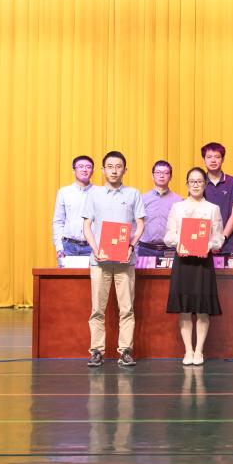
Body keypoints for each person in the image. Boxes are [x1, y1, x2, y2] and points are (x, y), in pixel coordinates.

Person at [82, 151, 145, 368]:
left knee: (127, 308)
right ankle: (96, 351)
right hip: (99, 261)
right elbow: (86, 226)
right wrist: (95, 249)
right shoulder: (94, 194)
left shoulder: (133, 194)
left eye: (118, 166)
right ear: (103, 170)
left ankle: (125, 351)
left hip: (125, 261)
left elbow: (140, 224)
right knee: (97, 309)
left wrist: (131, 246)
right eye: (110, 166)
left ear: (125, 170)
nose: (114, 170)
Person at [163, 167, 225, 365]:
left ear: (205, 184)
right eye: (192, 181)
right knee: (184, 308)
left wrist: (208, 246)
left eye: (199, 181)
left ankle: (199, 351)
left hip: (203, 262)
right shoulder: (177, 207)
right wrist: (180, 243)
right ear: (187, 184)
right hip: (183, 261)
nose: (196, 185)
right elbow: (168, 236)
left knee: (202, 308)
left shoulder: (213, 208)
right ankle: (188, 350)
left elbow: (219, 238)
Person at [201, 142, 233, 256]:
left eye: (217, 157)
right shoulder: (198, 182)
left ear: (223, 159)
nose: (213, 160)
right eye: (209, 157)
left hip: (227, 244)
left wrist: (221, 239)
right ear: (204, 160)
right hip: (202, 244)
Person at [52, 155, 97, 263]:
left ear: (92, 171)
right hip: (68, 247)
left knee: (94, 275)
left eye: (88, 167)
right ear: (73, 171)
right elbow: (58, 221)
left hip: (92, 247)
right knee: (67, 275)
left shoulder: (100, 193)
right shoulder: (64, 192)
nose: (84, 169)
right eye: (80, 166)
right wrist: (59, 247)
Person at [137, 160, 183, 260]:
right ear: (152, 176)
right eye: (158, 172)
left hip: (170, 250)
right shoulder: (142, 199)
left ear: (170, 177)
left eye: (166, 173)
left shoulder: (179, 201)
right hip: (146, 250)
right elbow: (136, 225)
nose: (161, 176)